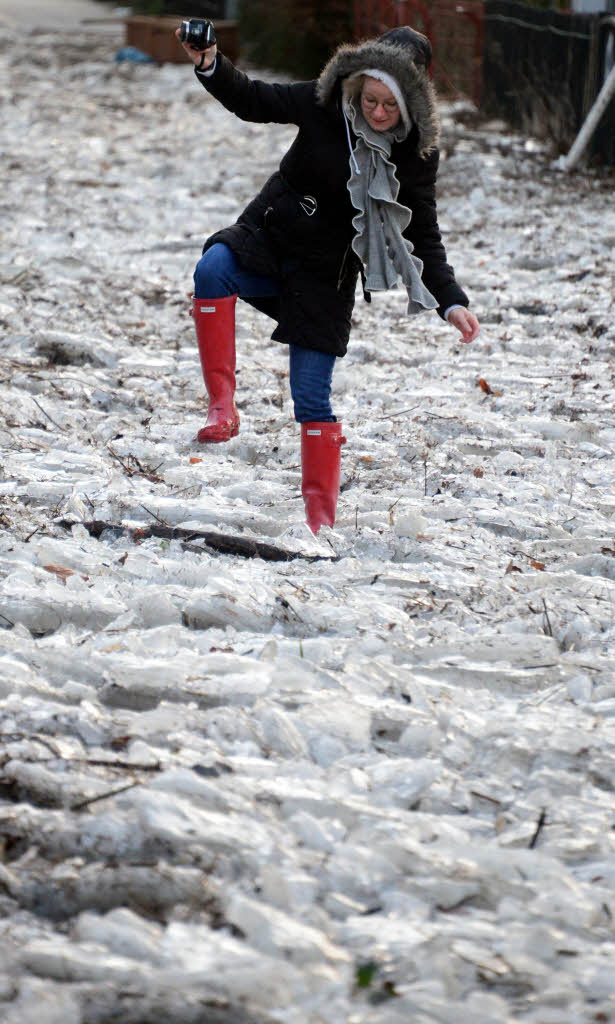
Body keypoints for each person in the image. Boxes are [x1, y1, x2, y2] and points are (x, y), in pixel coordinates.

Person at [176, 24, 480, 534]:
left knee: (312, 398)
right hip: (272, 235)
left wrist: (450, 300)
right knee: (212, 269)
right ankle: (221, 409)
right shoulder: (324, 103)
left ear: (412, 102)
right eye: (370, 99)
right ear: (357, 82)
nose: (377, 112)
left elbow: (421, 232)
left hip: (327, 272)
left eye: (390, 105)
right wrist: (209, 60)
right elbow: (252, 98)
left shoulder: (416, 154)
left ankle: (321, 526)